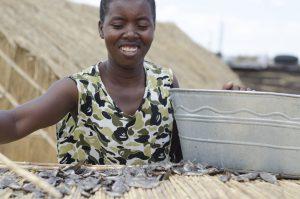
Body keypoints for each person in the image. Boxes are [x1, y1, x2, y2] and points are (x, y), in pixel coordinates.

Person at [0, 0, 245, 165]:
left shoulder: (166, 83)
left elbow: (186, 152)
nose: (130, 33)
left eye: (142, 25)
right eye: (118, 25)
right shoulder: (78, 90)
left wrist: (226, 107)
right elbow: (15, 122)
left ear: (153, 29)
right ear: (101, 29)